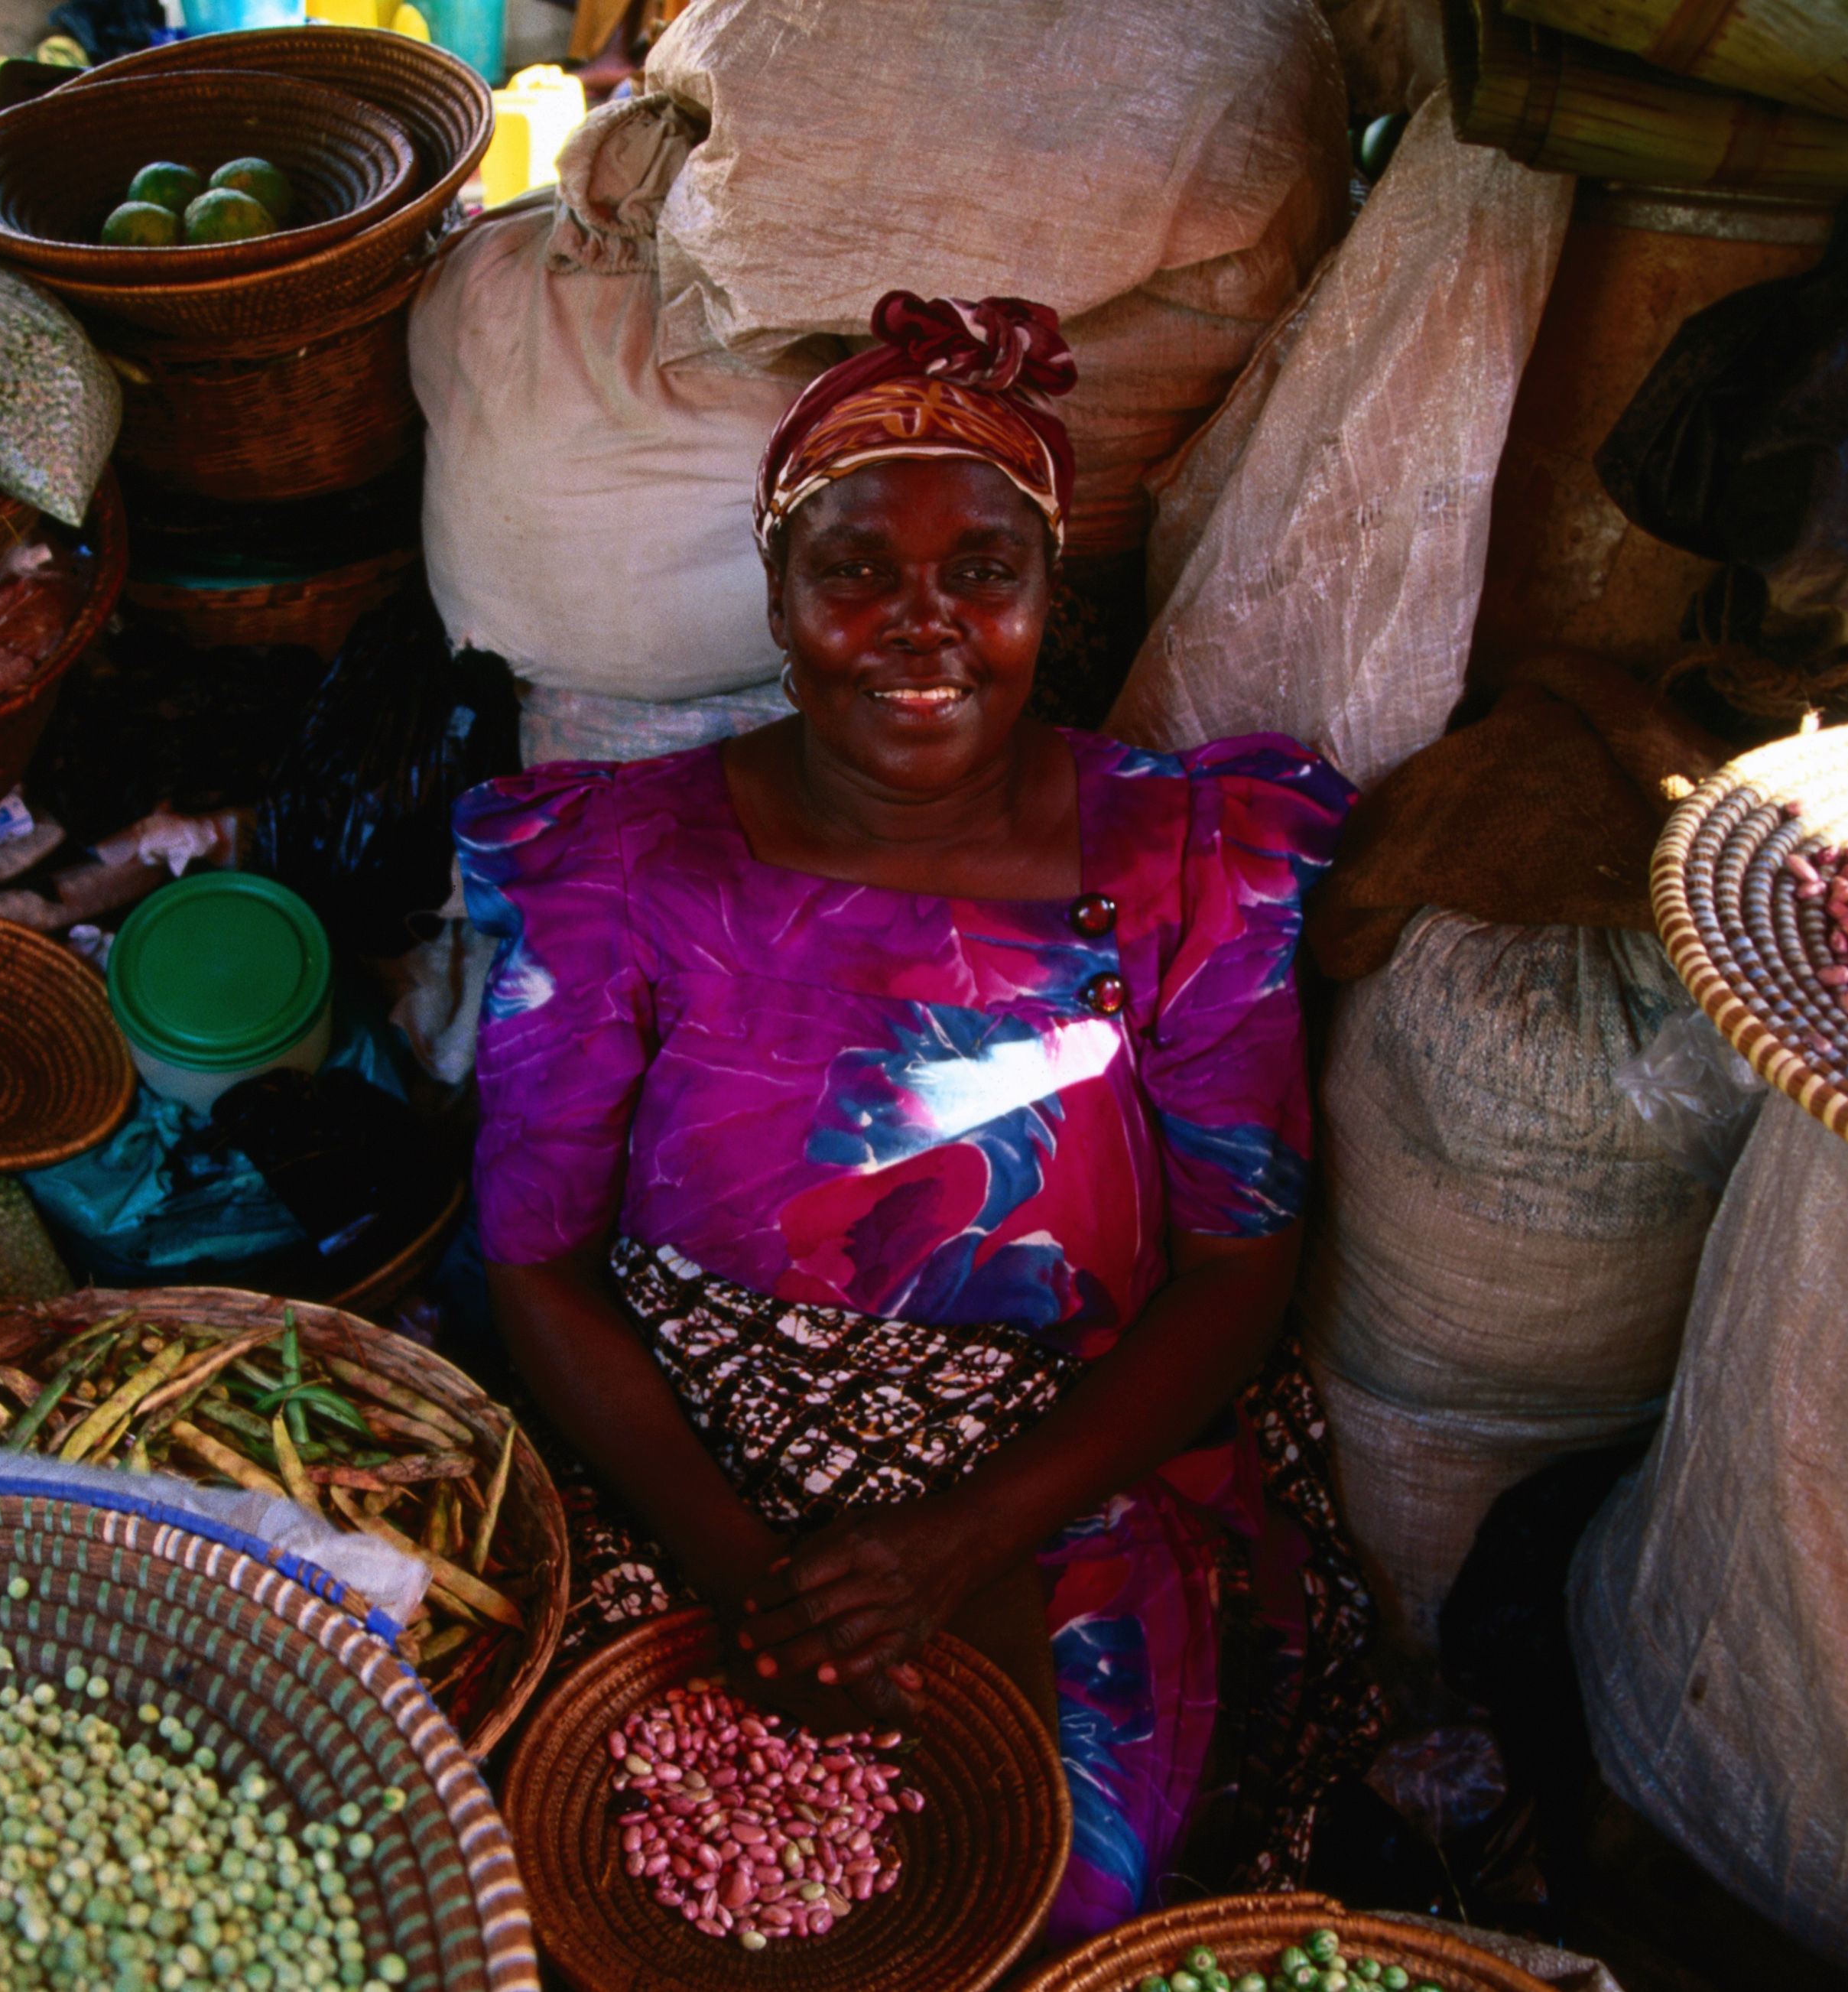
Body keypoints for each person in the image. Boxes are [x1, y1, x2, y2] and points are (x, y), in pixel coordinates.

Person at [456, 292, 1383, 1938]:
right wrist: (743, 1568)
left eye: (982, 573)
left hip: (1053, 1478)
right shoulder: (623, 869)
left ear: (1046, 598)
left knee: (1051, 1899)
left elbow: (1241, 1269)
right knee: (595, 1866)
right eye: (856, 571)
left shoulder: (1183, 865)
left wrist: (958, 1542)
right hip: (683, 1459)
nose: (921, 626)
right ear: (777, 595)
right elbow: (535, 1262)